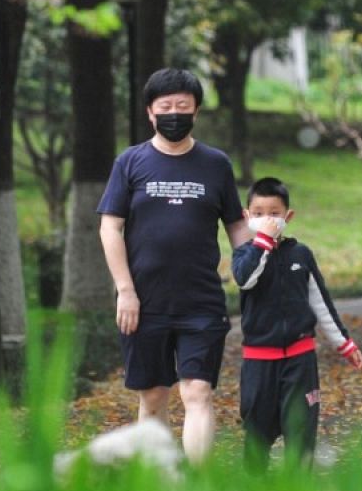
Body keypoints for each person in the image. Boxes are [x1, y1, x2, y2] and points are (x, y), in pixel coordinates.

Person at [98, 68, 250, 463]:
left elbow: (236, 223)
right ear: (150, 112)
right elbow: (110, 227)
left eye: (183, 106)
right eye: (165, 106)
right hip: (143, 302)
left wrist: (251, 264)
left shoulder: (215, 164)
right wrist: (125, 291)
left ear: (196, 111)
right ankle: (160, 481)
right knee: (152, 396)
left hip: (202, 301)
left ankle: (196, 484)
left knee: (198, 392)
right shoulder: (130, 162)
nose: (174, 114)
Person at [231, 177, 362, 471]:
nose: (267, 219)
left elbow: (320, 302)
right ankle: (253, 489)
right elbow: (245, 279)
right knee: (257, 432)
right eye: (259, 213)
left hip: (300, 360)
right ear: (247, 215)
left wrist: (344, 343)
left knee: (302, 431)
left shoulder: (300, 255)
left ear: (288, 216)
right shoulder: (243, 254)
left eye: (274, 213)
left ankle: (299, 489)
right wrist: (263, 243)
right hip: (259, 362)